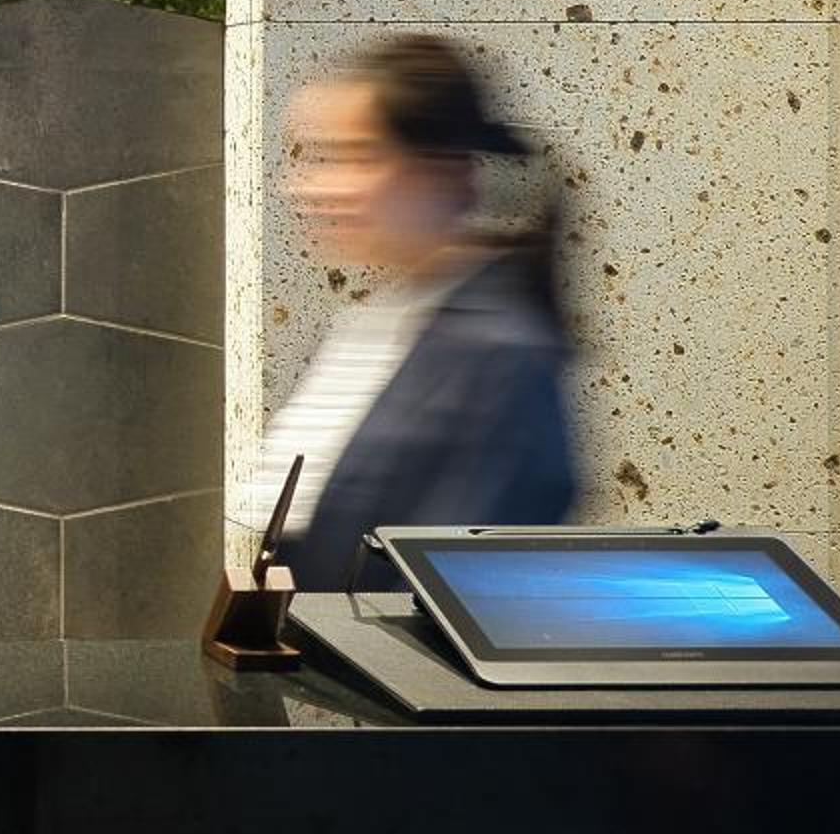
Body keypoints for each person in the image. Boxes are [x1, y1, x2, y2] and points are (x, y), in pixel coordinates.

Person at [232, 33, 583, 592]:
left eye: (352, 156)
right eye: (312, 158)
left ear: (442, 169)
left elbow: (455, 588)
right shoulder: (382, 323)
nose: (309, 187)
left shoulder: (500, 353)